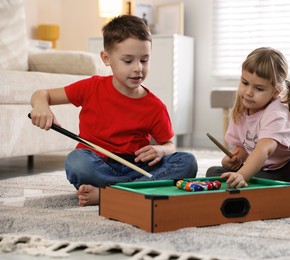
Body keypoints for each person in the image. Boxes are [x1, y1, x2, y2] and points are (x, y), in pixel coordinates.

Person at [29, 15, 198, 206]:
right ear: (106, 58)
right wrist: (41, 106)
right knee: (76, 162)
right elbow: (41, 94)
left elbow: (169, 144)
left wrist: (160, 149)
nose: (138, 68)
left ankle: (110, 195)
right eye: (128, 61)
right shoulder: (91, 87)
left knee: (187, 161)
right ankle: (139, 190)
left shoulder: (155, 106)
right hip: (99, 165)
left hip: (137, 166)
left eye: (144, 60)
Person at [206, 47, 290, 196]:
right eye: (245, 83)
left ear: (275, 91)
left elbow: (264, 149)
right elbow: (244, 147)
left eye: (259, 89)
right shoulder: (240, 110)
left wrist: (242, 174)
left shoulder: (276, 111)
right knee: (214, 173)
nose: (249, 92)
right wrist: (232, 160)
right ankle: (274, 190)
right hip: (267, 173)